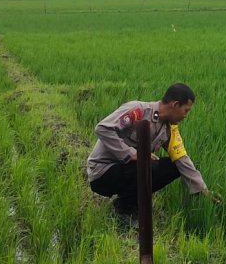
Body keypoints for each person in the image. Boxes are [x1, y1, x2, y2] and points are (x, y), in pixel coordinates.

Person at [87, 82, 216, 222]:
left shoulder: (169, 129)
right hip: (103, 173)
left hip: (128, 170)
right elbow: (102, 129)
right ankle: (124, 207)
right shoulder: (138, 111)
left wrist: (202, 190)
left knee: (173, 167)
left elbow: (181, 158)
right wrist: (131, 153)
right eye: (186, 110)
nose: (186, 115)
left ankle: (130, 202)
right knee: (149, 165)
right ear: (175, 104)